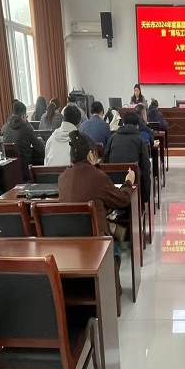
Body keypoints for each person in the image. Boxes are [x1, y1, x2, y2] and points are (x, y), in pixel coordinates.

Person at [58, 131, 135, 305]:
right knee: (115, 244)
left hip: (68, 241)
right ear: (91, 154)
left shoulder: (63, 177)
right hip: (95, 242)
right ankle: (113, 289)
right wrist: (128, 182)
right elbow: (122, 200)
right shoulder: (98, 177)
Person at [102, 111, 151, 205]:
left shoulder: (113, 137)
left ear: (123, 123)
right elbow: (145, 168)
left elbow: (105, 160)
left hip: (113, 186)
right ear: (137, 126)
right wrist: (145, 197)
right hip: (132, 183)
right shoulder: (140, 140)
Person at [1, 101, 45, 180]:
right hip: (24, 170)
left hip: (9, 170)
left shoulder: (4, 127)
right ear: (23, 115)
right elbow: (40, 149)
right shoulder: (26, 128)